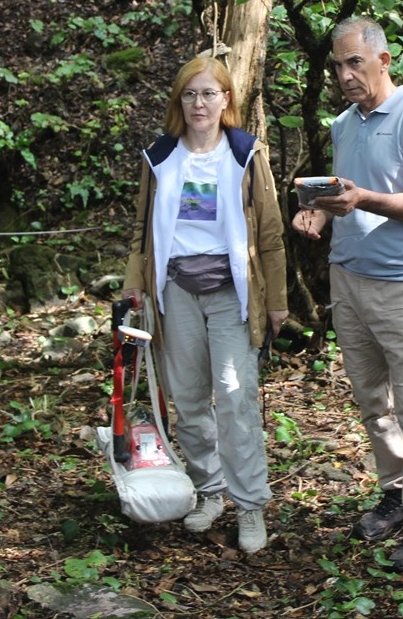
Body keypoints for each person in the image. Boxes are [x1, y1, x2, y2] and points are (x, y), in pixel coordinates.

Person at [292, 16, 403, 572]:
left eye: (354, 62)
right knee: (372, 402)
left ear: (384, 60)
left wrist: (363, 200)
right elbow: (343, 193)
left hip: (402, 285)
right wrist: (316, 211)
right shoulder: (343, 125)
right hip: (347, 278)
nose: (344, 74)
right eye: (337, 65)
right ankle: (396, 492)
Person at [122, 56, 288, 554]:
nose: (200, 103)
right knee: (189, 399)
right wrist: (134, 289)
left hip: (232, 295)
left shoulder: (246, 155)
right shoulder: (160, 157)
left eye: (209, 94)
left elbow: (271, 236)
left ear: (227, 100)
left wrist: (276, 301)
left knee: (236, 398)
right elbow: (141, 234)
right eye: (190, 94)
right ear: (180, 101)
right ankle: (210, 490)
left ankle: (251, 505)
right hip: (176, 292)